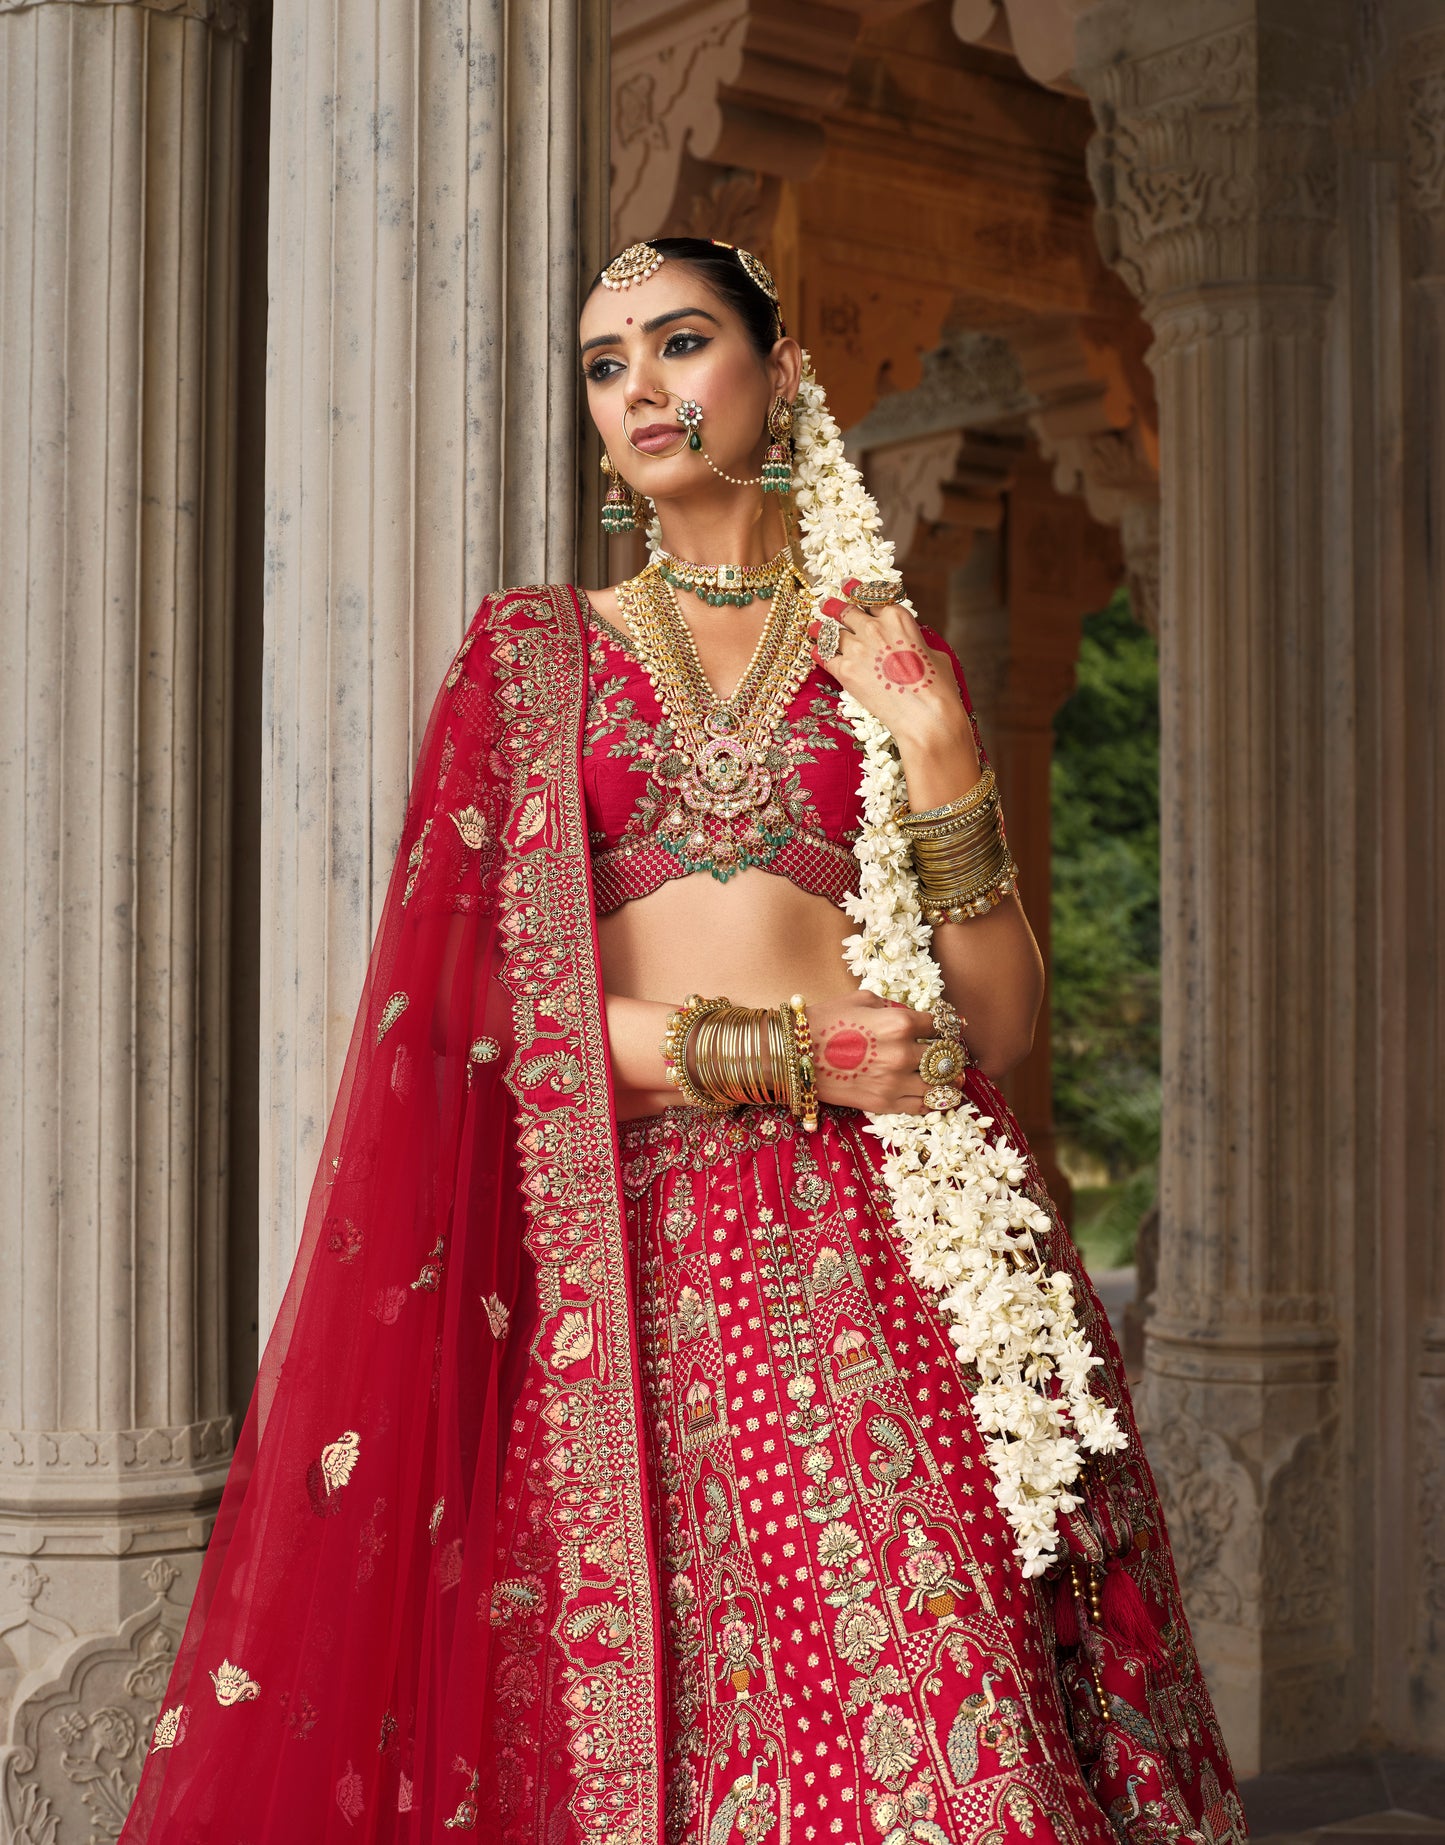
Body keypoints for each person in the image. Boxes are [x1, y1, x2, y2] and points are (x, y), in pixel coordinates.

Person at [120, 238, 1246, 1845]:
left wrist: (937, 760)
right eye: (604, 361)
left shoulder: (885, 659)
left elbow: (991, 1022)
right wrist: (793, 1057)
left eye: (681, 341)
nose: (639, 386)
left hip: (888, 1260)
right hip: (623, 1272)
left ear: (779, 377)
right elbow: (472, 1006)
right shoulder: (534, 657)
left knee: (949, 1722)